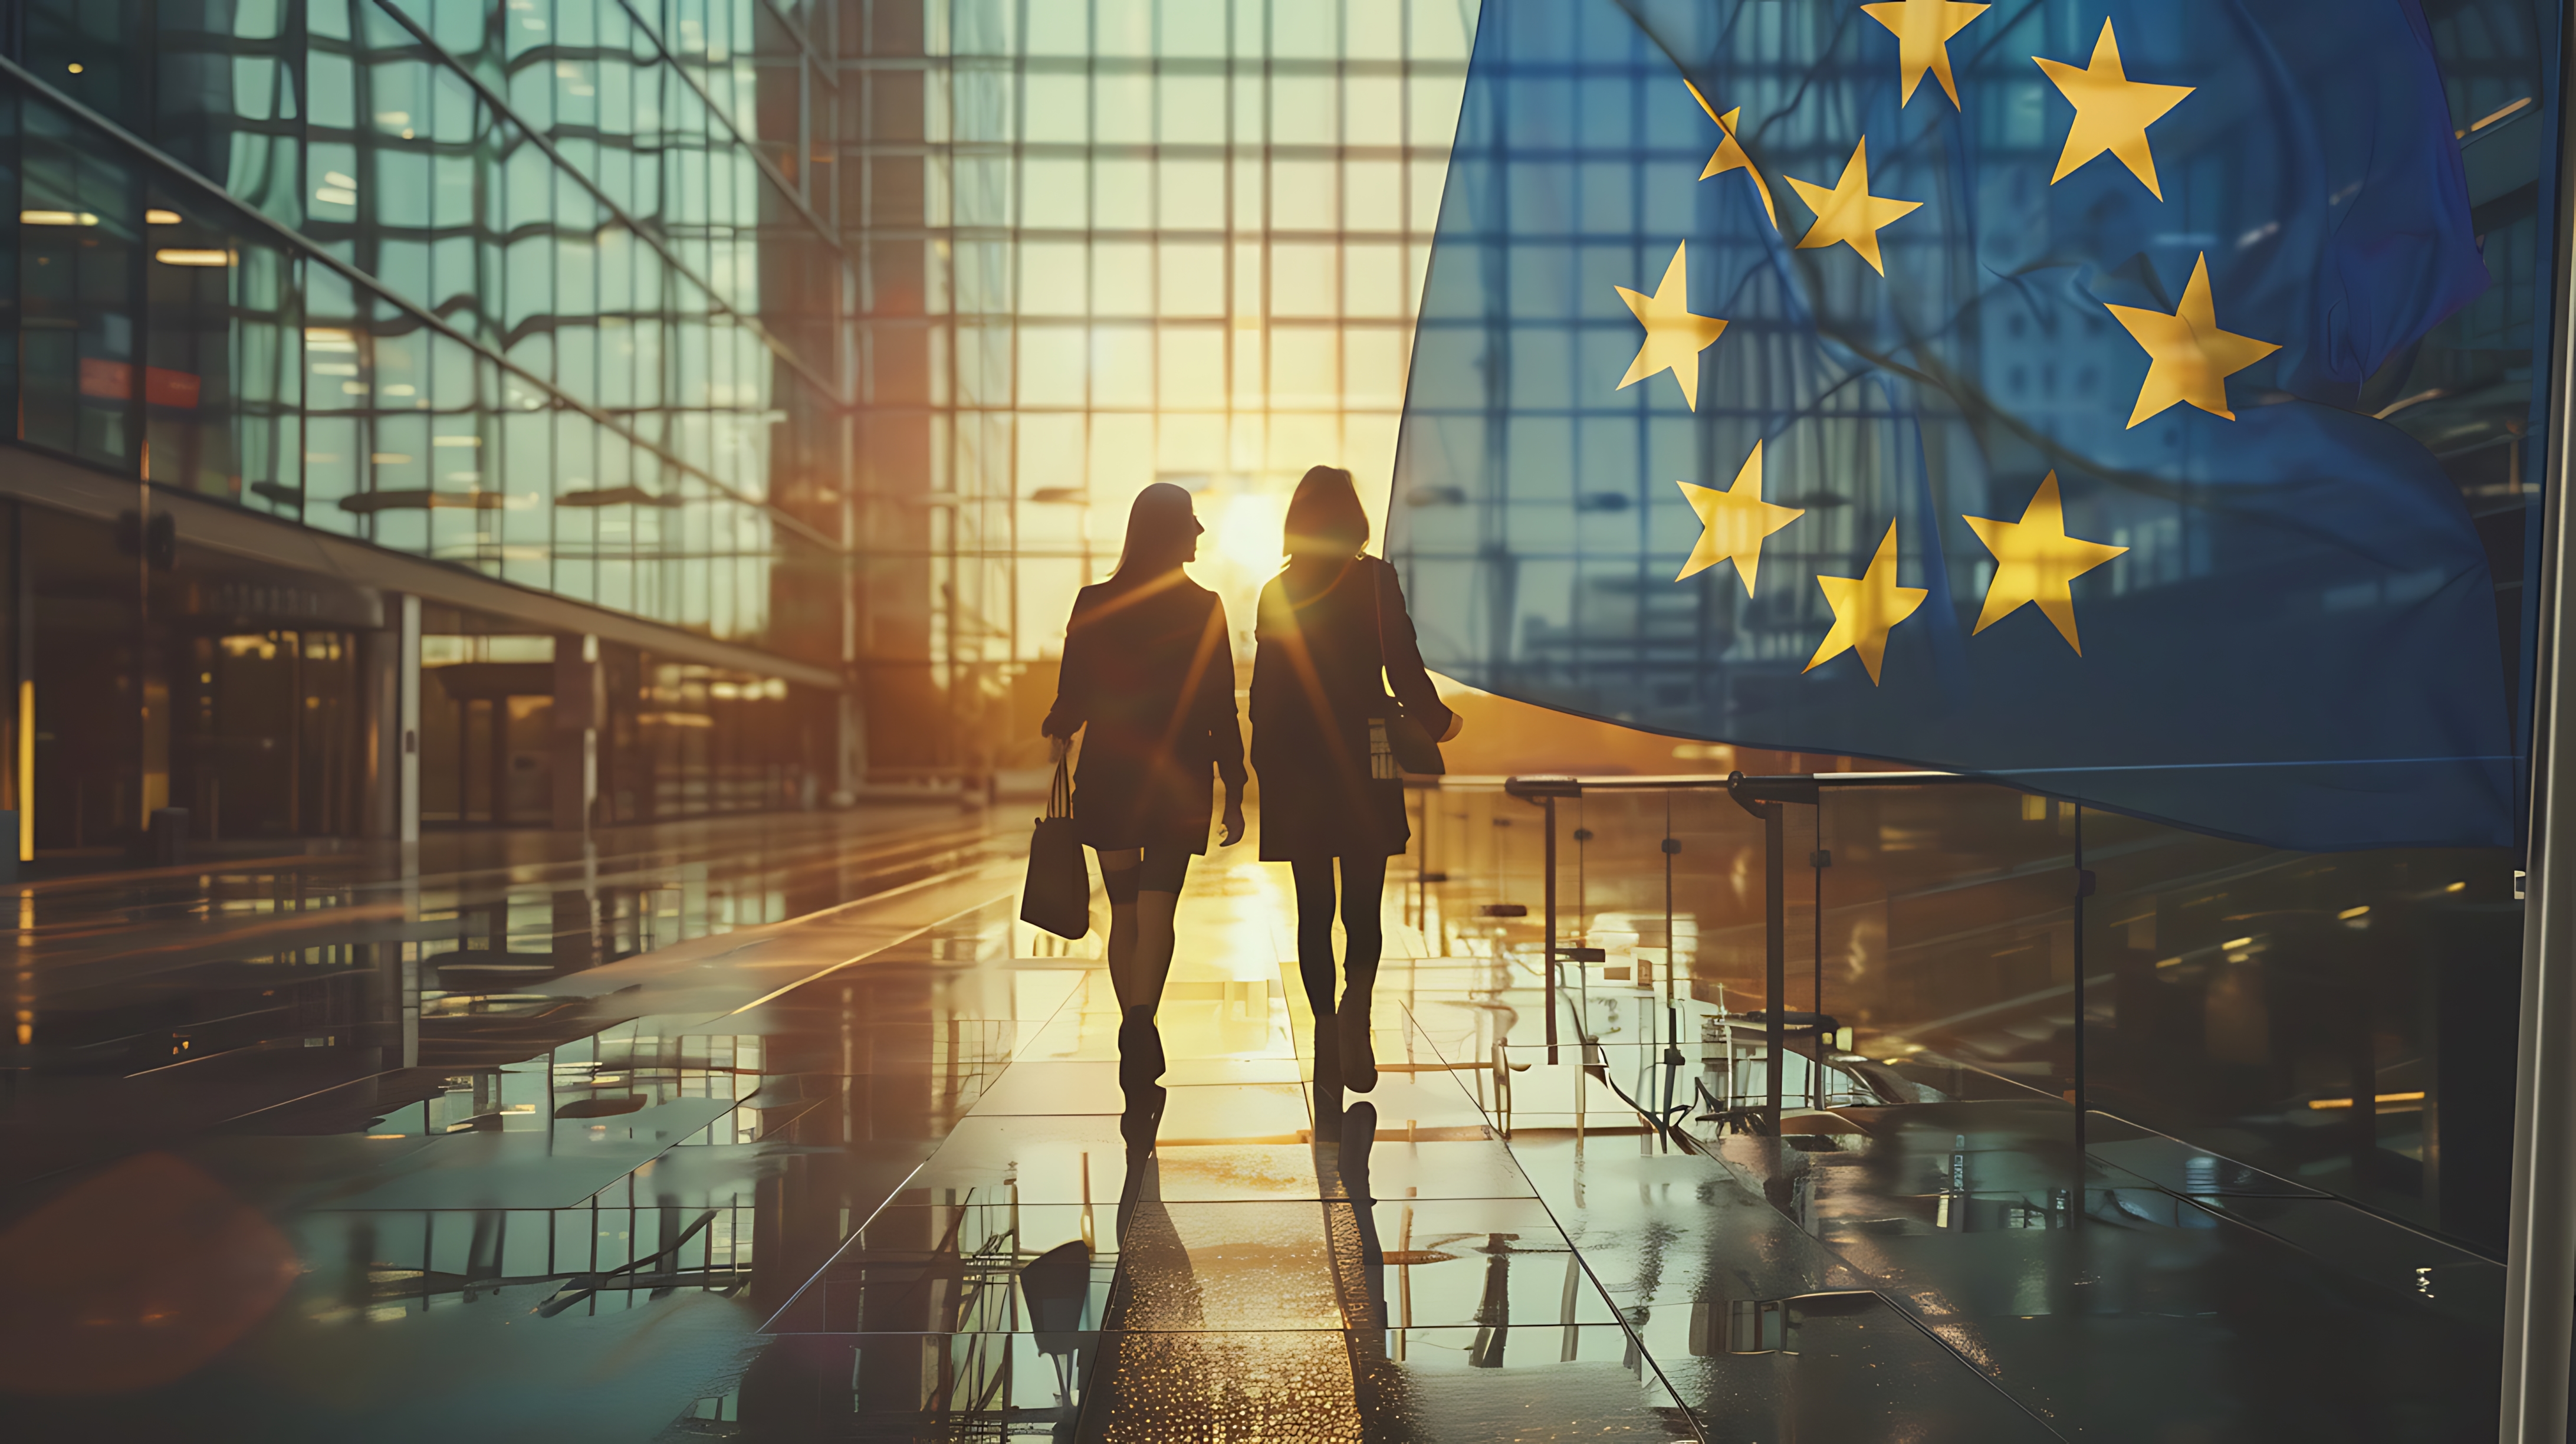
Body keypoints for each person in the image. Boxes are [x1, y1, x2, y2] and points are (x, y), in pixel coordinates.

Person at [1249, 465, 1461, 1093]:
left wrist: (1264, 767)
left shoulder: (1275, 591)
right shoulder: (1374, 581)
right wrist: (1438, 720)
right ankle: (1356, 1014)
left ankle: (1322, 1023)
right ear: (1352, 518)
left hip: (1296, 755)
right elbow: (1402, 661)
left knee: (1314, 907)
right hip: (1367, 745)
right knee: (1364, 901)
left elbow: (1266, 691)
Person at [1041, 483, 1247, 1089]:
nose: (1201, 533)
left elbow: (1073, 693)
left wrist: (1059, 727)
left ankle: (1132, 1022)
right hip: (1179, 778)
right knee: (1158, 908)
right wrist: (1234, 783)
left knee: (1124, 909)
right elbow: (1219, 705)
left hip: (1110, 772)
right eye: (1191, 521)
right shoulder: (1204, 606)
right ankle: (1141, 1022)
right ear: (1170, 530)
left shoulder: (1093, 600)